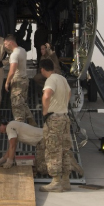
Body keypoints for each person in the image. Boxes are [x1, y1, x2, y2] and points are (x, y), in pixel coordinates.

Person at [38, 58, 72, 192]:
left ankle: (56, 182)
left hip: (54, 119)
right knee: (64, 149)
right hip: (64, 117)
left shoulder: (50, 80)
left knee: (53, 149)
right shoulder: (62, 78)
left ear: (42, 70)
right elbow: (69, 93)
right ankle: (66, 181)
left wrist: (45, 111)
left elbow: (46, 96)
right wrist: (62, 105)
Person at [3, 34, 38, 127]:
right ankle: (31, 119)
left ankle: (19, 124)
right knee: (22, 101)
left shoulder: (14, 54)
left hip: (18, 81)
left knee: (17, 104)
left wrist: (7, 82)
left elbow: (12, 70)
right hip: (24, 79)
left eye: (6, 44)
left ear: (10, 42)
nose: (5, 46)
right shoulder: (22, 50)